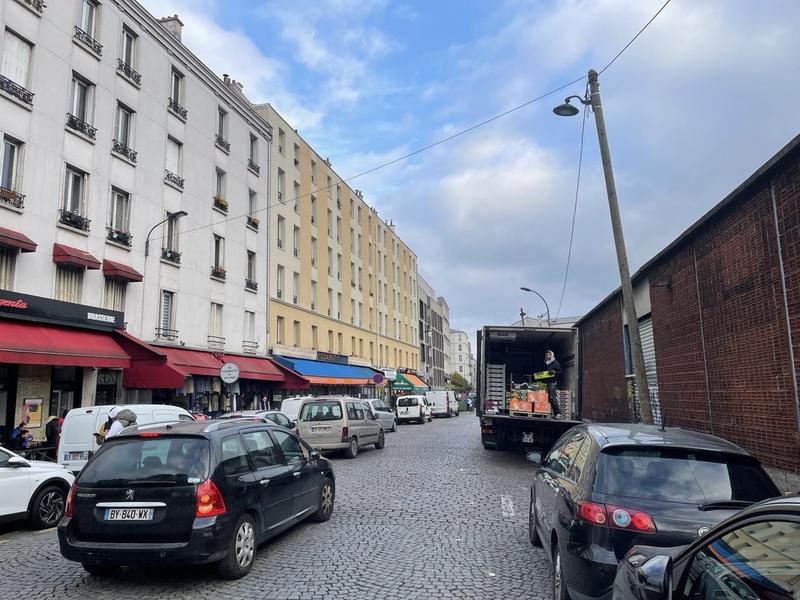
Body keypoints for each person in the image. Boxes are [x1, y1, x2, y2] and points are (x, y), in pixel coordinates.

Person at [544, 350, 563, 418]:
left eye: (549, 354)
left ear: (552, 355)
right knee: (549, 398)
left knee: (552, 398)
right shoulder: (547, 363)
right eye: (546, 355)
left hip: (553, 382)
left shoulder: (555, 363)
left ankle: (558, 413)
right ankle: (554, 414)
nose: (548, 356)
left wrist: (554, 372)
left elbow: (560, 372)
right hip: (548, 382)